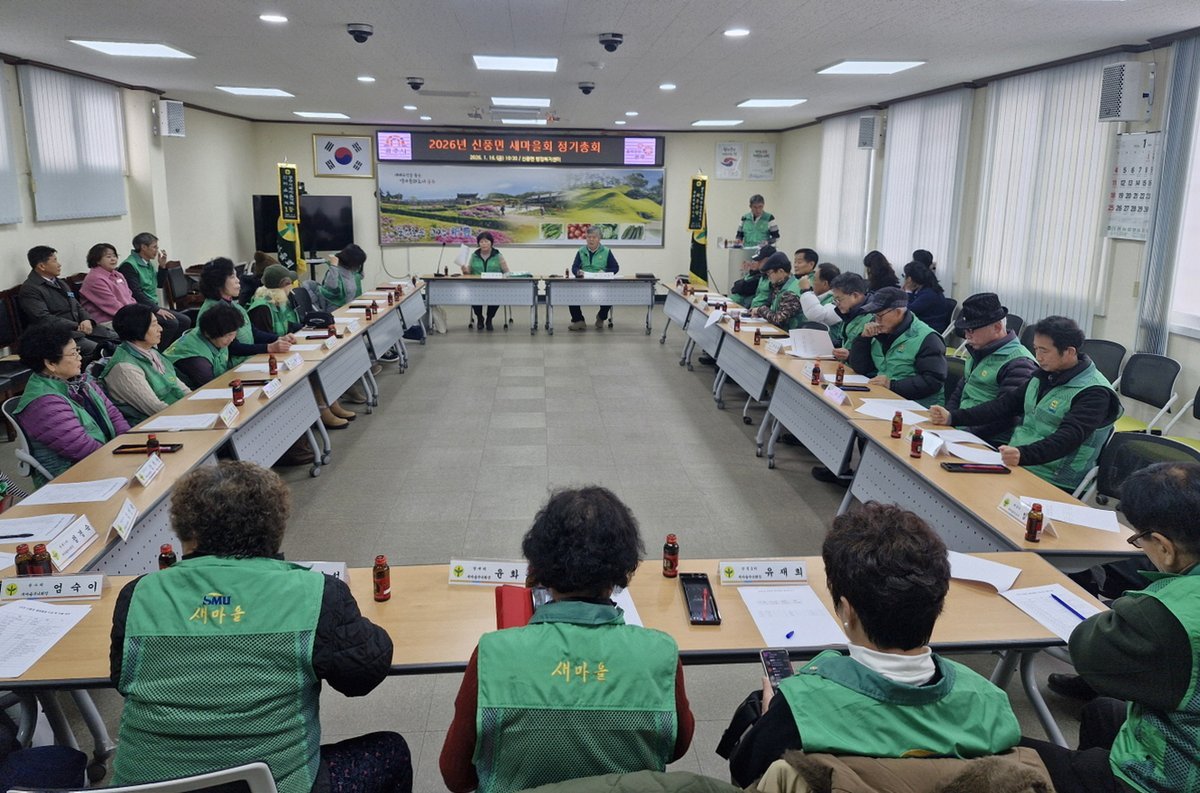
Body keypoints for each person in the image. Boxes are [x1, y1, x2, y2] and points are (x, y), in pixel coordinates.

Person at [109, 461, 412, 793]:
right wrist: (342, 615)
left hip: (142, 789)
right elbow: (363, 676)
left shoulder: (138, 595)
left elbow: (122, 679)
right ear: (275, 527)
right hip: (275, 785)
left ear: (186, 532)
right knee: (390, 751)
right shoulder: (315, 593)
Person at [728, 502, 1023, 788]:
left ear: (847, 611)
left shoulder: (801, 707)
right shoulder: (990, 703)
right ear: (937, 603)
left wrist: (769, 716)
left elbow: (744, 770)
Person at [440, 487, 695, 792]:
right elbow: (676, 746)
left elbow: (456, 776)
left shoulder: (492, 654)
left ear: (539, 567)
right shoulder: (659, 654)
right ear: (623, 568)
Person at [1021, 461, 1200, 793]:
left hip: (1172, 780)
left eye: (1139, 539)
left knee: (1004, 752)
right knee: (1102, 712)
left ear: (1165, 547)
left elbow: (1090, 654)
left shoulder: (1166, 614)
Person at [929, 316, 1121, 492]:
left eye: (1044, 351)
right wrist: (953, 417)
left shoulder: (1095, 392)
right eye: (1036, 349)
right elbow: (1003, 406)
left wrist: (1023, 454)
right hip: (1018, 463)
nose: (1038, 357)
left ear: (1069, 352)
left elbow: (1068, 438)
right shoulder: (1044, 375)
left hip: (1055, 481)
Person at [12, 326, 129, 486]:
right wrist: (123, 461)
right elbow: (82, 449)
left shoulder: (81, 381)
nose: (79, 357)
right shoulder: (44, 403)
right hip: (74, 477)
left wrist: (128, 445)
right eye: (73, 353)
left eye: (78, 351)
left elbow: (113, 415)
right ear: (51, 363)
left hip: (105, 459)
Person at [248, 264, 356, 430]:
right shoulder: (262, 308)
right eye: (290, 284)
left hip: (283, 350)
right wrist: (280, 339)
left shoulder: (277, 302)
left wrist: (308, 327)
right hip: (268, 358)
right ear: (283, 285)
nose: (292, 287)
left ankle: (330, 402)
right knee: (311, 369)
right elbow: (263, 338)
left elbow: (285, 325)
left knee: (320, 363)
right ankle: (322, 409)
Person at [943, 293, 1038, 446]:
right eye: (965, 331)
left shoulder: (1019, 363)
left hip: (990, 441)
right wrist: (947, 419)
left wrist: (963, 435)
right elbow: (960, 391)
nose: (967, 336)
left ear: (997, 327)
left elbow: (1006, 417)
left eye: (971, 330)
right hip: (960, 431)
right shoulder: (978, 350)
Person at [849, 286, 947, 407]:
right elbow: (861, 368)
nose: (876, 321)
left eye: (879, 316)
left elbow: (933, 381)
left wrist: (892, 385)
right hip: (884, 398)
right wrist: (863, 339)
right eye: (874, 315)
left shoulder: (927, 338)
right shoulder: (879, 332)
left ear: (898, 312)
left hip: (918, 405)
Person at [19, 245, 117, 359]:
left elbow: (77, 305)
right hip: (60, 335)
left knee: (119, 339)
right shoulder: (31, 289)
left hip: (82, 329)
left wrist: (87, 319)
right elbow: (43, 318)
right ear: (42, 266)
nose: (59, 264)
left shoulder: (60, 283)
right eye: (54, 261)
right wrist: (76, 326)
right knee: (102, 351)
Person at [101, 304, 191, 424]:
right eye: (154, 325)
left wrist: (196, 404)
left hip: (177, 415)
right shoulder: (124, 368)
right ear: (138, 328)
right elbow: (156, 408)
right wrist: (192, 413)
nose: (160, 329)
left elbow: (181, 388)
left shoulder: (152, 353)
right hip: (154, 424)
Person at [196, 257, 293, 368]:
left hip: (246, 361)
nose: (238, 280)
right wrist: (269, 347)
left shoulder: (234, 305)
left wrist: (278, 338)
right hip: (230, 368)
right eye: (232, 277)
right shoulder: (213, 311)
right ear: (218, 282)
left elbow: (253, 332)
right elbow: (232, 347)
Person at [119, 232, 192, 348]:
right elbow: (136, 293)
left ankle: (173, 350)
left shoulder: (147, 263)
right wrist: (156, 309)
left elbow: (159, 284)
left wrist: (162, 266)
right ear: (143, 247)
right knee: (172, 323)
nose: (157, 250)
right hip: (140, 309)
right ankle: (159, 352)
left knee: (185, 321)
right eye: (154, 247)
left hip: (151, 305)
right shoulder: (129, 266)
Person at [163, 301, 242, 389]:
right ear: (209, 333)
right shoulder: (198, 360)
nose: (232, 339)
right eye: (228, 335)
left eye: (234, 334)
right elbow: (211, 388)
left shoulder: (215, 337)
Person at [568, 226, 619, 332]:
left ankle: (601, 317)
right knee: (571, 294)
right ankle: (579, 321)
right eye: (589, 237)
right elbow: (574, 267)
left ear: (599, 238)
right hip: (584, 282)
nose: (591, 240)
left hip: (602, 283)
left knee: (610, 296)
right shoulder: (581, 251)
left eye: (594, 237)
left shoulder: (606, 251)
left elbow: (615, 268)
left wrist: (604, 271)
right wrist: (578, 272)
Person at [79, 242, 136, 327]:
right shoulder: (95, 279)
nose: (113, 259)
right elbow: (112, 306)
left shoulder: (118, 275)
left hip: (126, 316)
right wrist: (135, 317)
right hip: (107, 321)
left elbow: (129, 296)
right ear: (97, 260)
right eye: (108, 257)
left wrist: (138, 312)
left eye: (114, 256)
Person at [463, 231, 510, 331]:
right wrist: (464, 269)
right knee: (474, 298)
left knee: (496, 298)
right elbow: (468, 273)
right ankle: (480, 318)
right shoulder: (474, 255)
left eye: (486, 241)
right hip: (476, 286)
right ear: (478, 243)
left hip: (494, 286)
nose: (484, 244)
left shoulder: (498, 255)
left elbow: (506, 272)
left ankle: (489, 319)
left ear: (491, 243)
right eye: (481, 242)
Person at [749, 253, 806, 330]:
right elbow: (773, 312)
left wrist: (760, 310)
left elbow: (779, 320)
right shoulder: (781, 286)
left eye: (769, 273)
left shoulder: (790, 292)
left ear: (780, 271)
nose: (768, 277)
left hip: (790, 334)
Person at [903, 260, 952, 333]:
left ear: (910, 279)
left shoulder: (929, 293)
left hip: (930, 329)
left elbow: (909, 311)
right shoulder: (924, 289)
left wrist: (908, 291)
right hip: (923, 324)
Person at [315, 243, 367, 309]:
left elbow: (361, 276)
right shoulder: (335, 270)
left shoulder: (352, 270)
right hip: (336, 308)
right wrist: (333, 266)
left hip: (350, 306)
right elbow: (332, 286)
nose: (358, 266)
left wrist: (361, 264)